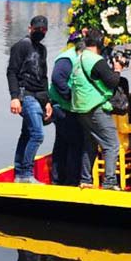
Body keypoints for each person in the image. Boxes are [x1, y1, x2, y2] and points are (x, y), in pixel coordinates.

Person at [70, 29, 124, 190]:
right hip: (96, 107)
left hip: (80, 108)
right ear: (100, 43)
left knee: (90, 143)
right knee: (111, 144)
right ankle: (109, 182)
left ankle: (86, 180)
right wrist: (118, 69)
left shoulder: (79, 58)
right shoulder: (95, 60)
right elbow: (113, 82)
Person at [7, 15, 53, 183]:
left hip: (38, 96)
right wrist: (14, 97)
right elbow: (11, 72)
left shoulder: (42, 49)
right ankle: (26, 173)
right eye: (37, 29)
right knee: (38, 134)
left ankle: (19, 173)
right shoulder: (21, 46)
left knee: (27, 134)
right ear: (30, 28)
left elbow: (44, 77)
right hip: (25, 94)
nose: (40, 32)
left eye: (43, 30)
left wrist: (47, 100)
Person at [48, 31, 84, 186]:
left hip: (66, 107)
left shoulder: (75, 57)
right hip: (62, 106)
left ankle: (59, 178)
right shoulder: (67, 58)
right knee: (74, 143)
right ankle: (70, 181)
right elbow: (57, 78)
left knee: (62, 143)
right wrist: (69, 96)